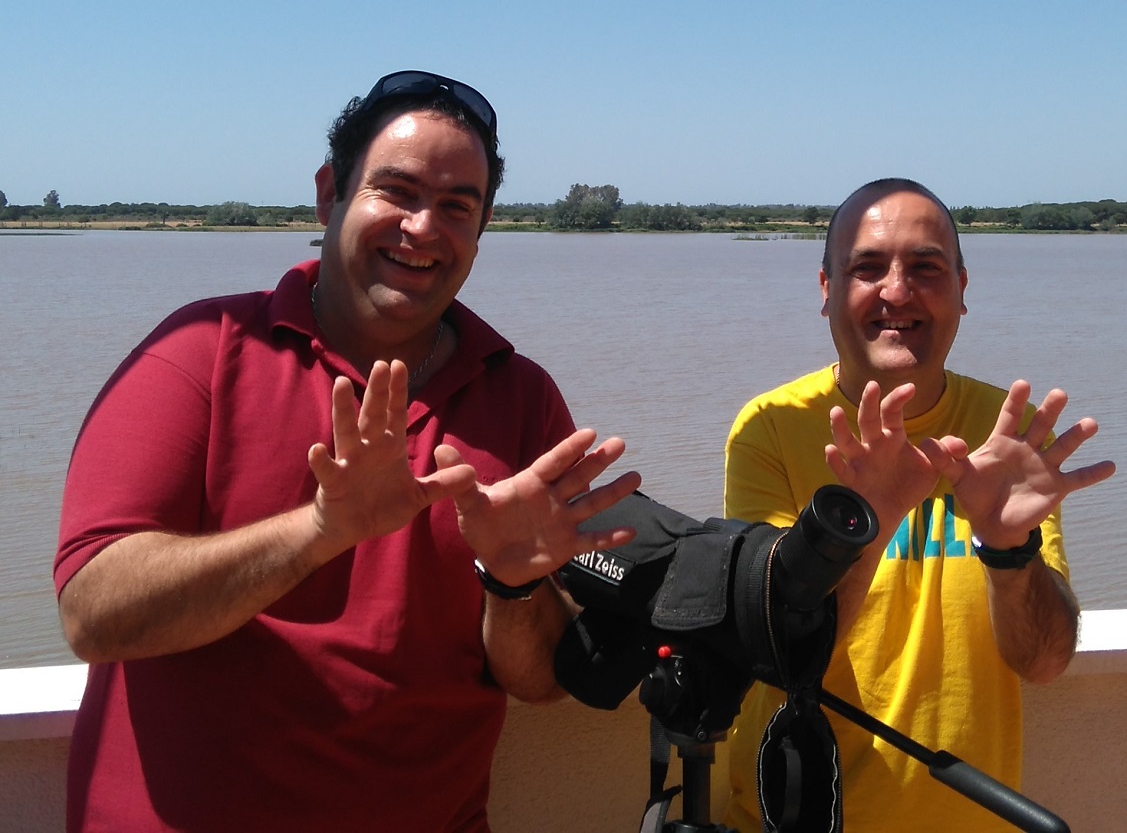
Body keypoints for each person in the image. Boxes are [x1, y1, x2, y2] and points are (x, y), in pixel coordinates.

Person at [55, 70, 641, 833]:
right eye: (396, 192)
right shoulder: (199, 353)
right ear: (330, 194)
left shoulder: (521, 398)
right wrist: (319, 532)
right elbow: (93, 615)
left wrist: (512, 586)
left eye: (457, 206)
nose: (423, 228)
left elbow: (536, 683)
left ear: (482, 227)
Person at [723, 177, 1115, 833]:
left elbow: (1043, 662)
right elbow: (776, 655)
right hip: (802, 816)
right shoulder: (768, 428)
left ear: (962, 290)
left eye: (925, 268)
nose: (896, 293)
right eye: (866, 268)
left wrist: (1008, 551)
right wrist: (866, 521)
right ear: (826, 291)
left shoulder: (1004, 432)